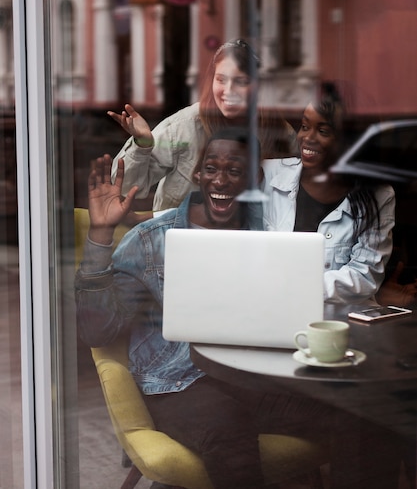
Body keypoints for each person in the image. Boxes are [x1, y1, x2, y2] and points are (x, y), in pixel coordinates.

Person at [76, 129, 401, 489]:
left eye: (235, 171)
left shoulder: (266, 235)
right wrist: (101, 235)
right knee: (228, 431)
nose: (221, 180)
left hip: (251, 376)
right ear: (198, 174)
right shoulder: (152, 240)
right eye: (211, 168)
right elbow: (97, 331)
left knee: (369, 417)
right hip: (178, 382)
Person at [108, 38, 297, 213]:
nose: (228, 91)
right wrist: (142, 145)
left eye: (241, 82)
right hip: (181, 240)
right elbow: (126, 187)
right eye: (221, 80)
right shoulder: (184, 127)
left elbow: (291, 198)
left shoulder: (279, 132)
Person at [262, 90, 396, 304]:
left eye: (323, 131)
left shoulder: (378, 195)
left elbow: (363, 276)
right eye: (305, 127)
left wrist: (293, 288)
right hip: (272, 307)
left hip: (336, 323)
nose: (307, 138)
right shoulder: (269, 175)